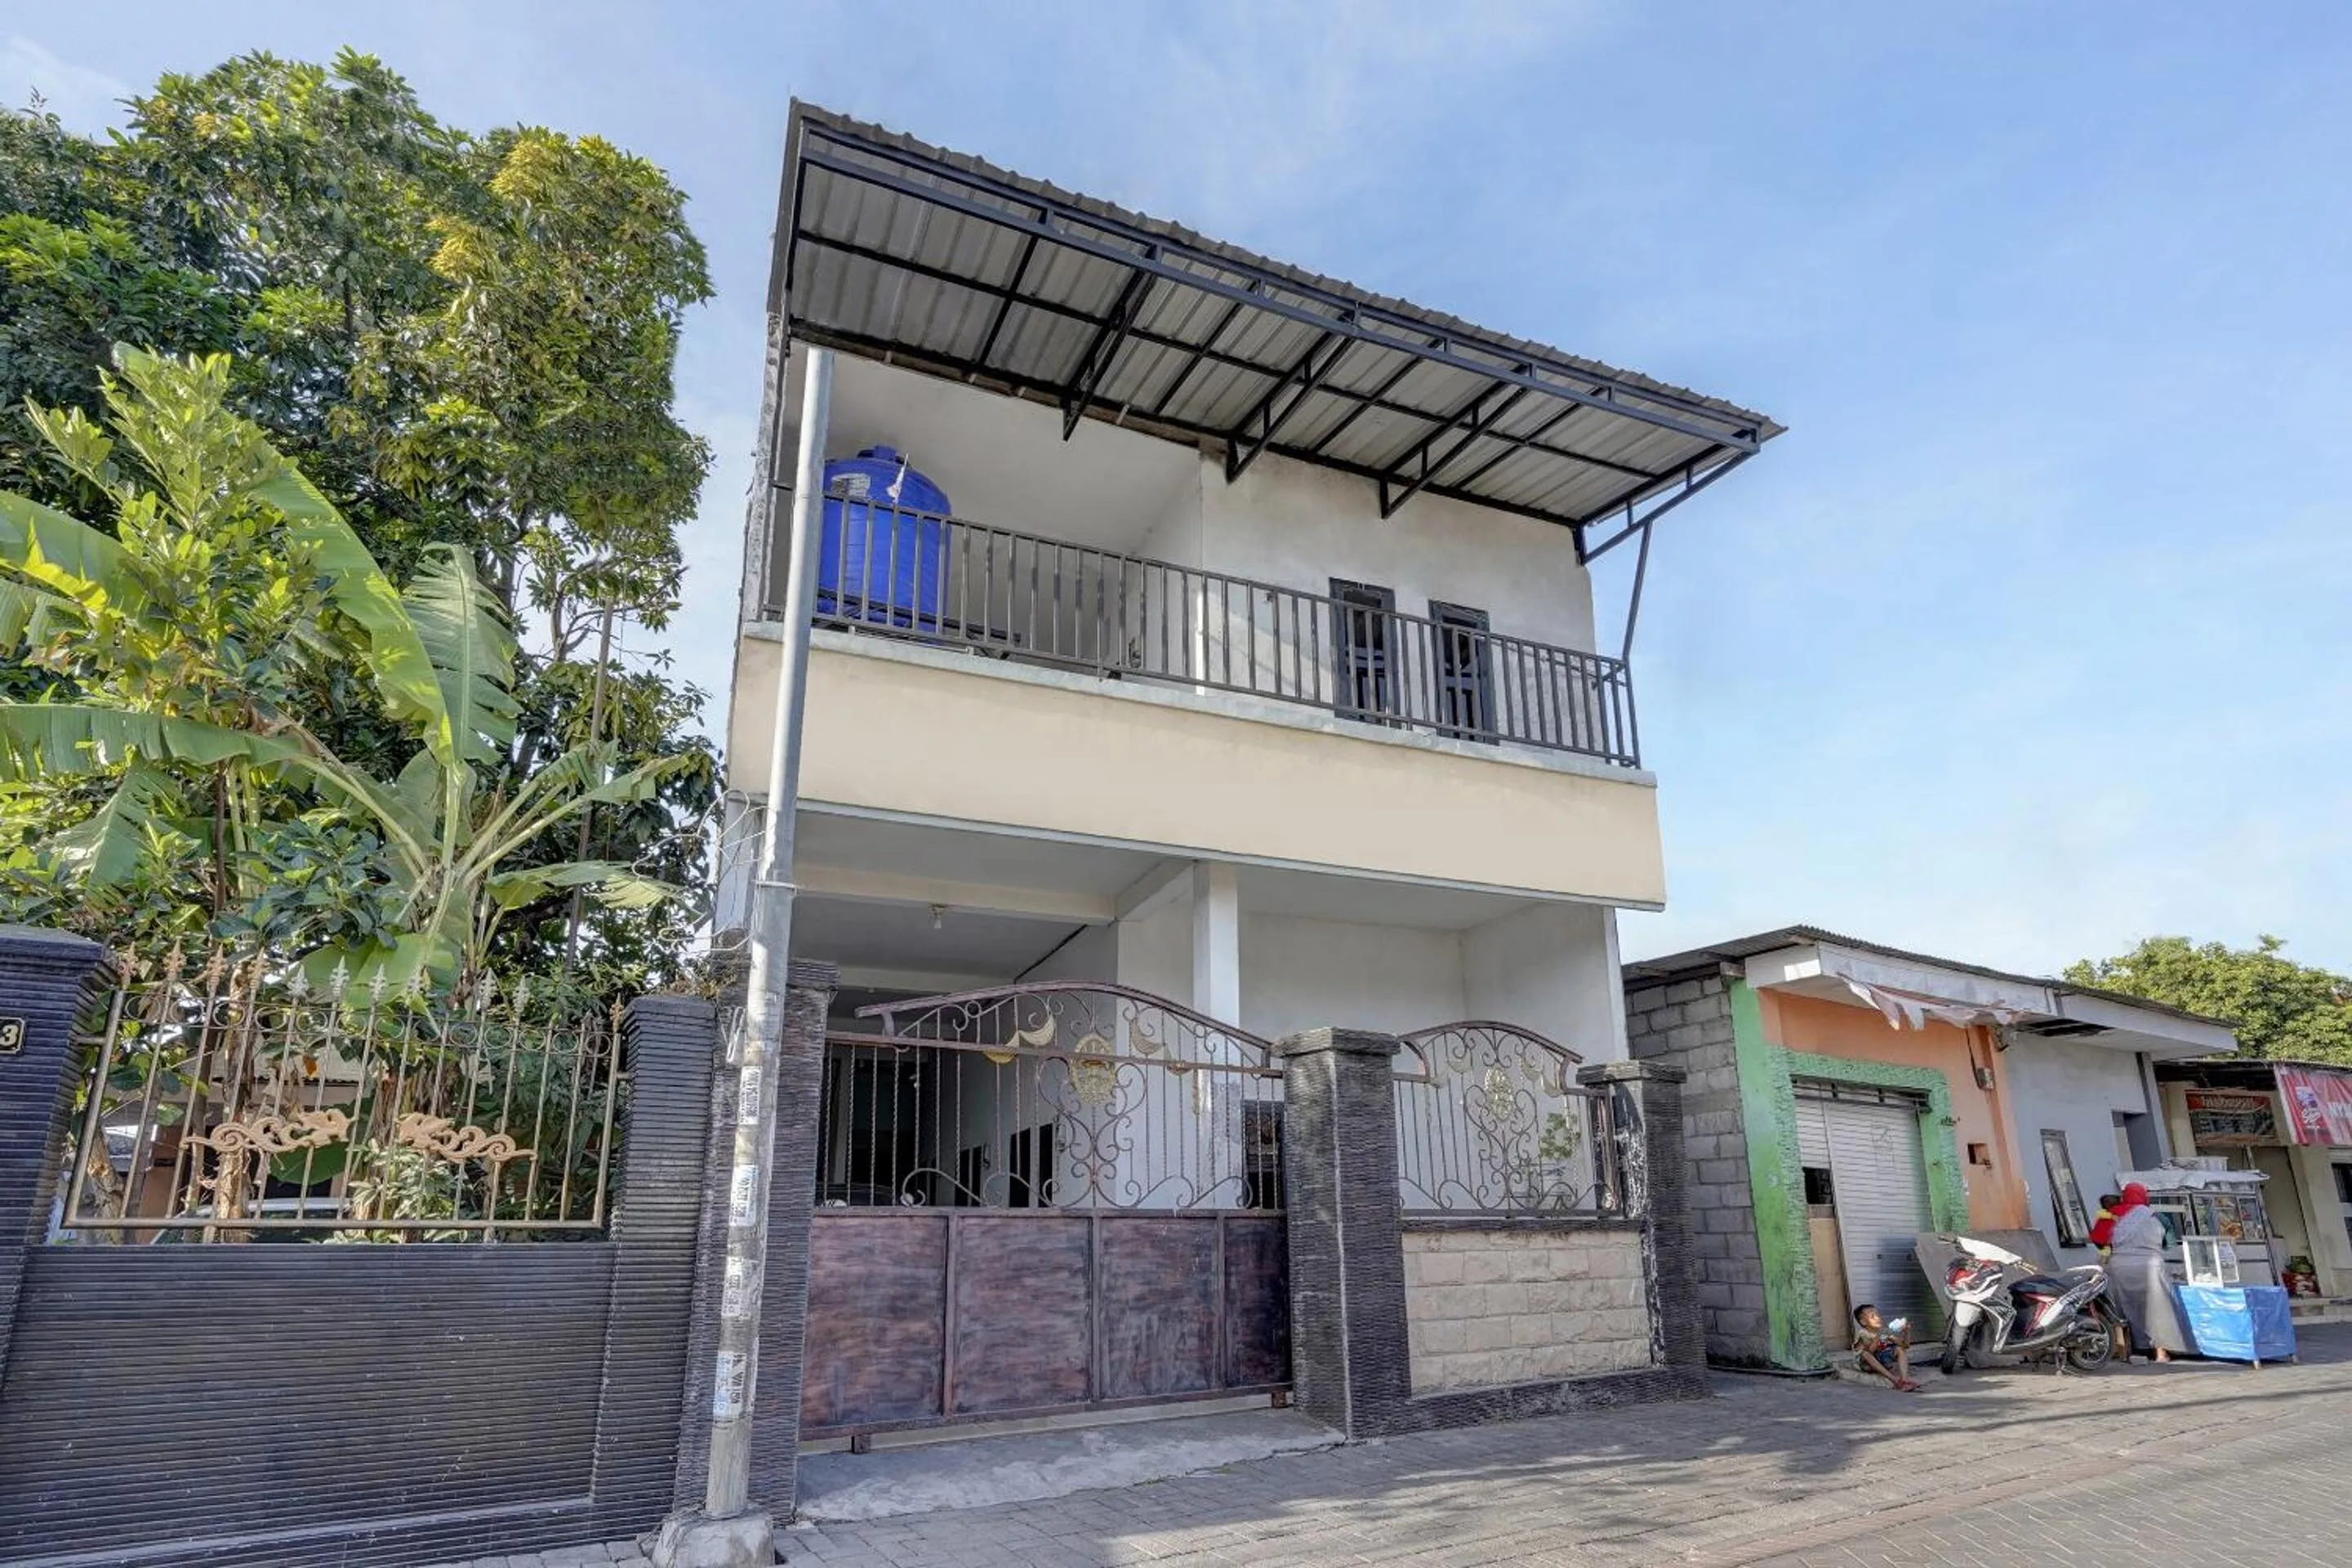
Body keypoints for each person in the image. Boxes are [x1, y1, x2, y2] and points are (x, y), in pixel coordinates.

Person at [2105, 1182, 2188, 1364]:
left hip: (2119, 1268)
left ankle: (2125, 1350)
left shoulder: (2112, 1216)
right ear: (2145, 1197)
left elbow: (2103, 1241)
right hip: (2150, 1267)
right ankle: (2161, 1353)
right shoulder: (2158, 1217)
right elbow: (2170, 1245)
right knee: (2158, 1309)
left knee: (2121, 1309)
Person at [1852, 1303, 1922, 1392]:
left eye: (1878, 1315)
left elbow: (1905, 1345)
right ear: (1863, 1322)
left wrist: (1906, 1332)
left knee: (1899, 1349)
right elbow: (1870, 1351)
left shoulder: (1884, 1331)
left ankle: (1905, 1380)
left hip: (1881, 1360)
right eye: (1872, 1316)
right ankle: (1895, 1381)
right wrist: (1879, 1335)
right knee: (1865, 1353)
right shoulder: (1862, 1333)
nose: (1877, 1318)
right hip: (1866, 1364)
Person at [2089, 1192, 2123, 1259]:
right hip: (2108, 1241)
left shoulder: (2104, 1214)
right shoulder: (2118, 1212)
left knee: (2105, 1256)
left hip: (2099, 1240)